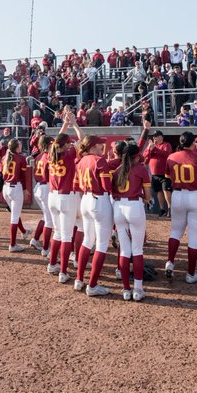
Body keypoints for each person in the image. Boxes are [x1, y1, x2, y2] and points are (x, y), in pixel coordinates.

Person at [163, 131, 197, 284]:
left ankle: (170, 262)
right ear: (192, 143)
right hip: (196, 195)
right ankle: (190, 273)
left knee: (175, 231)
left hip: (178, 195)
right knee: (194, 237)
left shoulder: (171, 157)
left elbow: (168, 178)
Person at [109, 140, 151, 301]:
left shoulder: (117, 169)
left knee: (124, 250)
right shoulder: (140, 169)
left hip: (118, 208)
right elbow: (147, 196)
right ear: (136, 156)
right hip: (134, 206)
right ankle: (138, 289)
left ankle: (126, 289)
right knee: (137, 250)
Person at [71, 133, 113, 296]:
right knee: (102, 244)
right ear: (93, 146)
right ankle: (93, 286)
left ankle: (79, 279)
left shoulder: (81, 160)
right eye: (99, 145)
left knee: (88, 241)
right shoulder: (99, 160)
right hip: (99, 200)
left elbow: (76, 186)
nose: (102, 147)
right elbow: (107, 186)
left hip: (86, 200)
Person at [46, 110, 80, 282]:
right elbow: (83, 140)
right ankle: (63, 272)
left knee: (58, 233)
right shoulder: (68, 154)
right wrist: (74, 124)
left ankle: (53, 264)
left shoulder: (51, 154)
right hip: (67, 197)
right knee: (66, 236)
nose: (69, 145)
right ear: (65, 144)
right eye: (68, 143)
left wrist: (65, 125)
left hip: (52, 196)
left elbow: (57, 142)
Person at [0, 138, 32, 253]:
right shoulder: (21, 158)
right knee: (14, 216)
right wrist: (24, 189)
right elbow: (23, 176)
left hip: (6, 188)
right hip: (16, 187)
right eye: (20, 145)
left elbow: (1, 173)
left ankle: (23, 231)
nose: (21, 146)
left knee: (15, 213)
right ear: (16, 147)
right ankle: (12, 245)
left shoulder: (5, 157)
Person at [140, 123, 172, 216]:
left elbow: (167, 153)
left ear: (161, 137)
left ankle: (170, 208)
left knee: (166, 190)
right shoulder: (151, 146)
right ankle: (162, 209)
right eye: (153, 137)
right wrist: (150, 149)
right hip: (155, 173)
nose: (154, 138)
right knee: (158, 191)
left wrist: (155, 149)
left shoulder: (166, 144)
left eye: (156, 136)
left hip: (165, 172)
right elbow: (145, 158)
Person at [28, 136, 53, 254]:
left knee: (46, 217)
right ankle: (46, 248)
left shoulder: (38, 155)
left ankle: (35, 239)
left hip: (38, 186)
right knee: (49, 220)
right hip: (45, 187)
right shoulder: (48, 155)